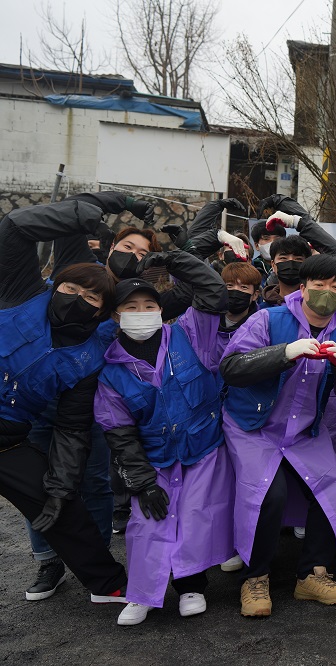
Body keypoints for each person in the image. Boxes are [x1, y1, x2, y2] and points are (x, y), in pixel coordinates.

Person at [221, 254, 336, 617]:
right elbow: (232, 367)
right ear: (302, 288)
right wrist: (284, 353)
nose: (327, 292)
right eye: (319, 284)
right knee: (268, 493)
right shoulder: (267, 319)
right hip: (253, 427)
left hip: (304, 431)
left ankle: (313, 575)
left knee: (331, 487)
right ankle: (256, 577)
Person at [94, 251, 235, 626]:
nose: (141, 312)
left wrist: (174, 260)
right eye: (131, 307)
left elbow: (213, 291)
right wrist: (142, 483)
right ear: (116, 316)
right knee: (146, 524)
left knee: (195, 518)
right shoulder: (111, 371)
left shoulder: (190, 334)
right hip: (154, 458)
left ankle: (192, 587)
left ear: (161, 309)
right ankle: (141, 594)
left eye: (149, 305)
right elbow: (119, 433)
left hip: (202, 450)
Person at [0, 197, 129, 606]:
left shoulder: (90, 357)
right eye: (69, 288)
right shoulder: (20, 294)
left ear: (101, 312)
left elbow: (73, 428)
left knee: (61, 506)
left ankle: (109, 584)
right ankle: (48, 565)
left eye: (90, 297)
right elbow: (14, 228)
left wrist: (58, 489)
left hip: (8, 441)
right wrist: (81, 214)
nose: (75, 297)